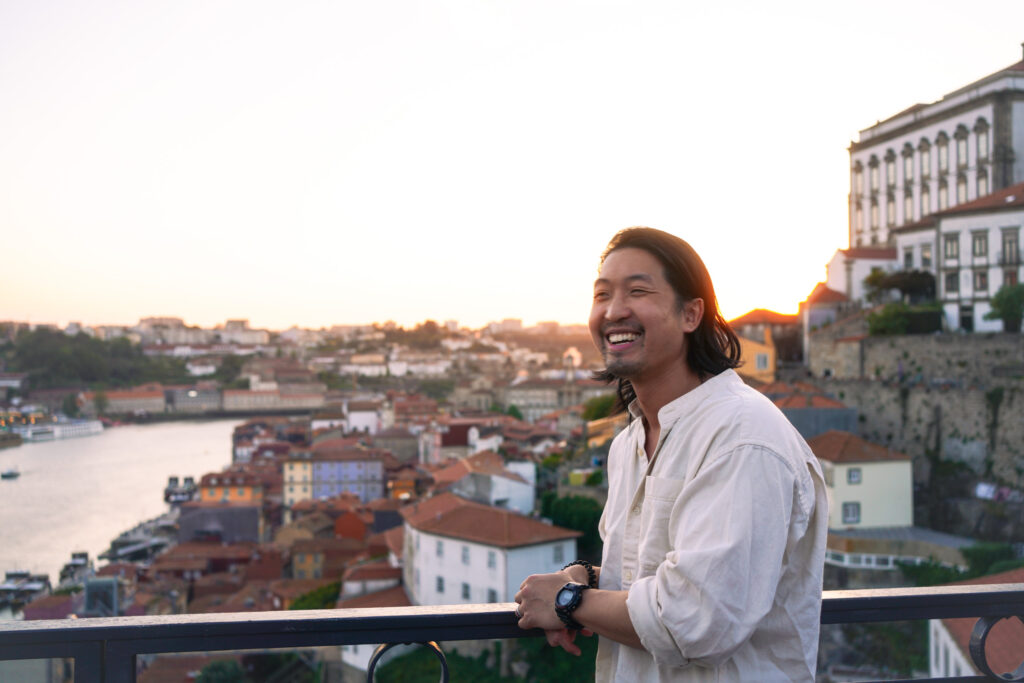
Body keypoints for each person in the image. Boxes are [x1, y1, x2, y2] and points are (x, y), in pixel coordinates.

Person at [514, 227, 827, 682]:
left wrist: (568, 603)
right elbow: (657, 576)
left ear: (690, 314)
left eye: (638, 291)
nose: (613, 310)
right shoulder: (629, 444)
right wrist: (586, 578)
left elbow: (699, 619)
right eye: (602, 294)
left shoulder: (742, 437)